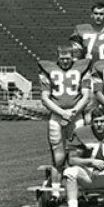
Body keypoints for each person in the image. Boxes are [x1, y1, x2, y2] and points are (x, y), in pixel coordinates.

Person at [40, 46, 92, 198]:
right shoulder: (49, 70)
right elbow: (44, 97)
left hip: (76, 116)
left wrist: (73, 111)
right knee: (58, 156)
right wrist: (62, 112)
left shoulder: (81, 69)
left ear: (72, 57)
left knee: (79, 153)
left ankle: (82, 190)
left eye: (67, 58)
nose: (64, 61)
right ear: (57, 57)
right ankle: (56, 192)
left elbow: (86, 95)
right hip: (57, 116)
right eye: (62, 58)